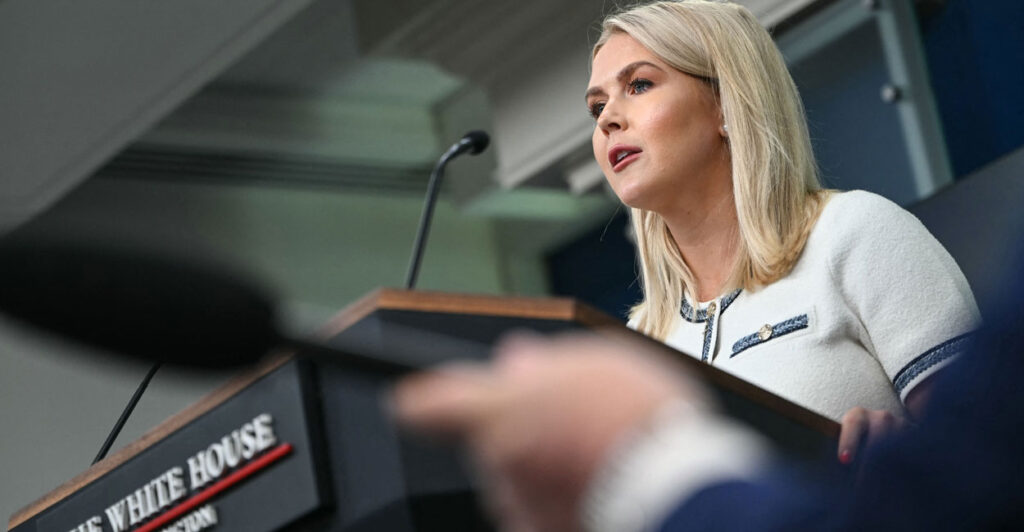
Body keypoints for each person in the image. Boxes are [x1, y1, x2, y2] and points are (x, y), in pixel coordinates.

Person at [584, 0, 976, 458]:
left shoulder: (853, 233)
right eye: (597, 107)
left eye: (640, 84)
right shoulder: (637, 342)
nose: (608, 118)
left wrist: (905, 460)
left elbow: (991, 453)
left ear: (725, 102)